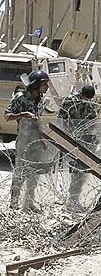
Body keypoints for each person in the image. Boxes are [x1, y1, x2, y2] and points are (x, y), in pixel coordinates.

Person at [4, 70, 51, 212]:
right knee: (20, 173)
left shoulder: (39, 101)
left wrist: (42, 139)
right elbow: (7, 115)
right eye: (44, 84)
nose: (47, 87)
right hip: (24, 140)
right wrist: (22, 114)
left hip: (36, 140)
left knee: (34, 174)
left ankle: (29, 202)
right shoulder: (20, 97)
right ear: (36, 84)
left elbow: (39, 122)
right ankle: (14, 203)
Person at [58, 85, 97, 212]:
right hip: (72, 141)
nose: (87, 100)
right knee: (75, 170)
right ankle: (72, 200)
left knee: (82, 171)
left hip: (85, 141)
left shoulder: (90, 104)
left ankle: (74, 199)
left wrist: (90, 133)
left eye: (89, 99)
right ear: (81, 94)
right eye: (86, 98)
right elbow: (61, 119)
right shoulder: (69, 101)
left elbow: (93, 121)